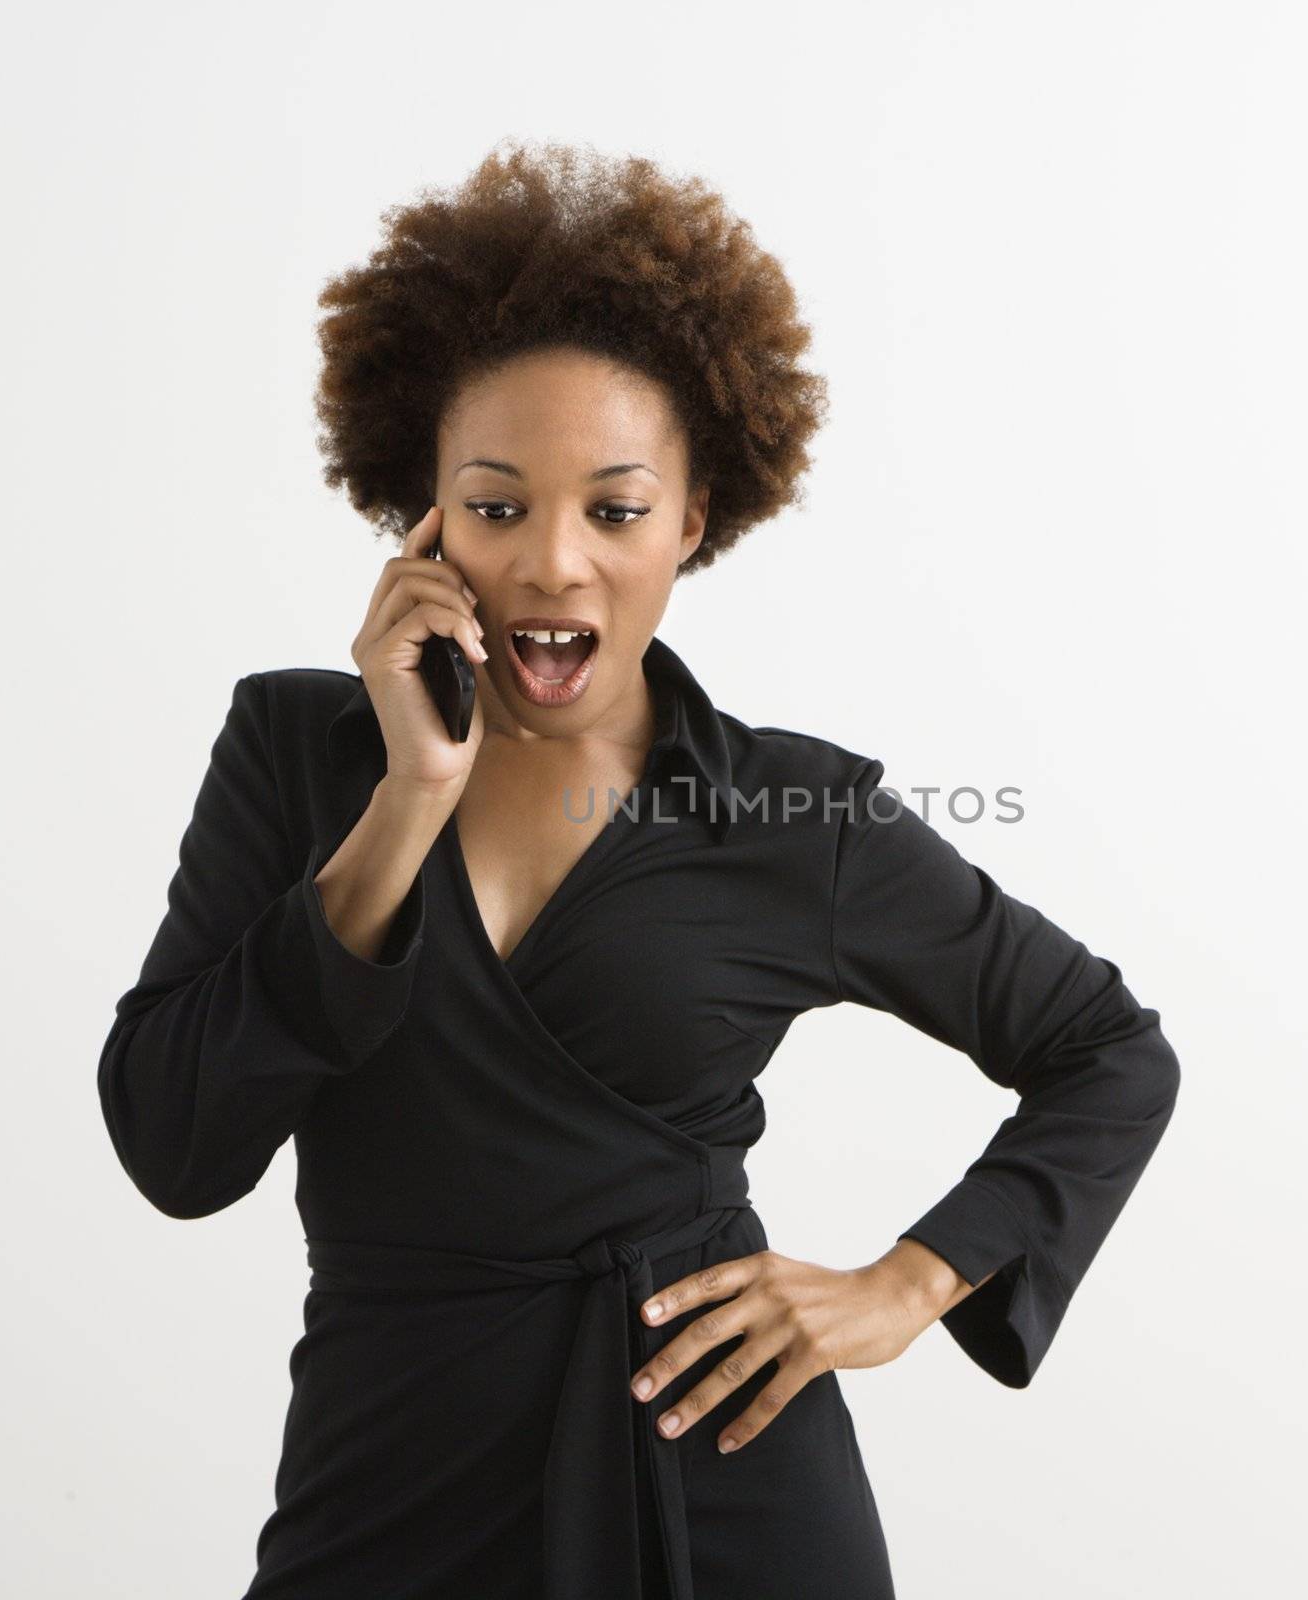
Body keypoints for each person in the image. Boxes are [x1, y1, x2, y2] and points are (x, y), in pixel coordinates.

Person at [96, 139, 1181, 1600]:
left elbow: (1107, 1049)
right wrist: (409, 797)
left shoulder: (795, 813)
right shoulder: (297, 749)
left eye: (613, 510)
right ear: (416, 511)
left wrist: (906, 1285)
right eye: (494, 505)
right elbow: (175, 1148)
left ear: (695, 522)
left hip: (722, 1483)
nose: (552, 562)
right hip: (385, 1468)